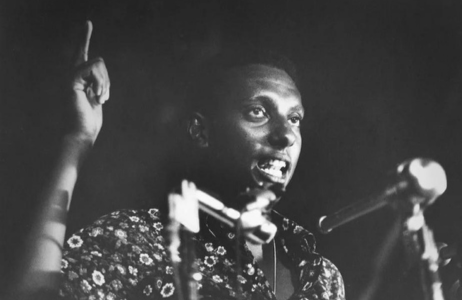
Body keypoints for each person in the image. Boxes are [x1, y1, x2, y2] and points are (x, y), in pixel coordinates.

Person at [16, 21, 345, 300]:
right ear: (201, 132)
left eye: (295, 118)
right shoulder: (142, 242)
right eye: (257, 112)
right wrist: (77, 141)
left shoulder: (322, 277)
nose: (285, 134)